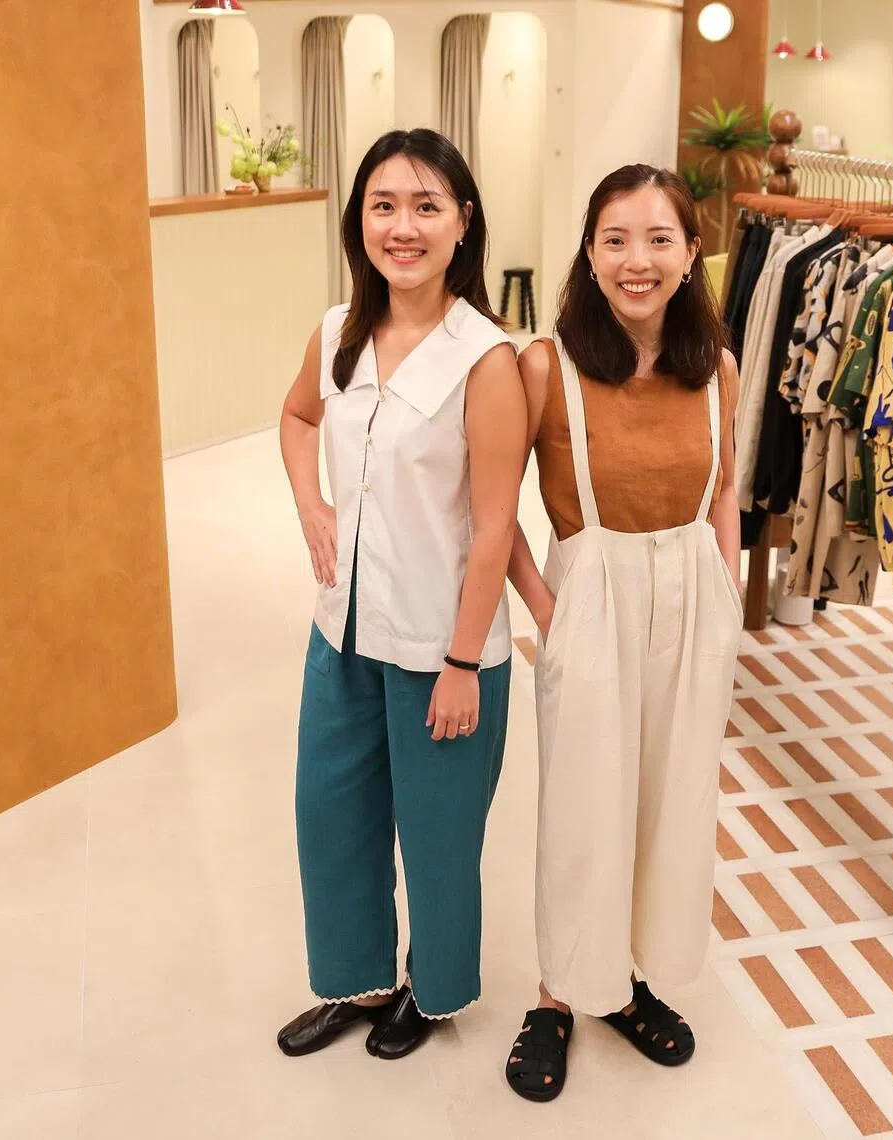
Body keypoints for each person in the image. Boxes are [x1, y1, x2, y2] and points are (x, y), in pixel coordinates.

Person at [276, 128, 526, 1061]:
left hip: (440, 643)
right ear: (360, 221)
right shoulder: (336, 331)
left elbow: (496, 526)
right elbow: (299, 416)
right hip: (341, 628)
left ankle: (433, 990)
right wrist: (312, 504)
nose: (404, 226)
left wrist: (464, 663)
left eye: (427, 206)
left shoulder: (486, 359)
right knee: (330, 812)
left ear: (464, 223)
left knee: (437, 836)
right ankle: (359, 979)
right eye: (385, 205)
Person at [503, 164, 743, 1101]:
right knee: (583, 808)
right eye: (614, 239)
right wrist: (549, 613)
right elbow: (487, 504)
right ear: (590, 253)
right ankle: (559, 993)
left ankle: (626, 978)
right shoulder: (544, 365)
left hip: (691, 594)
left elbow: (726, 489)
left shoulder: (717, 366)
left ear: (691, 255)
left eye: (658, 239)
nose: (635, 260)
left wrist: (722, 596)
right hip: (591, 594)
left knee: (670, 800)